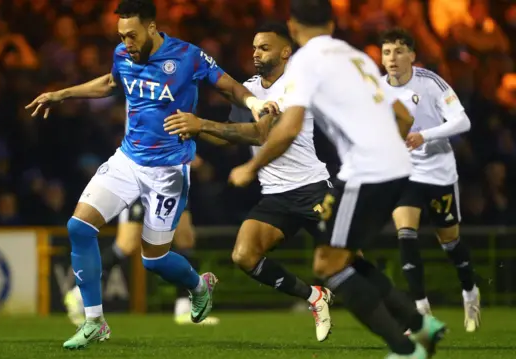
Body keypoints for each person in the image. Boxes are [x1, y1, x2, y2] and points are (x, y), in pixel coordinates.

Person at [26, 0, 276, 349]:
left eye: (131, 35)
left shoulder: (187, 57)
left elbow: (230, 87)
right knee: (78, 227)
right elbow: (111, 82)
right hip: (127, 161)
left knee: (153, 259)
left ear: (152, 28)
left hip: (168, 171)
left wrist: (254, 104)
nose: (126, 42)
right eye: (121, 36)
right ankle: (94, 321)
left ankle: (198, 286)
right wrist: (62, 94)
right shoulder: (122, 54)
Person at [228, 1, 446, 358]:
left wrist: (250, 169)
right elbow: (403, 116)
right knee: (342, 258)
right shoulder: (355, 56)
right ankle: (421, 324)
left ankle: (406, 347)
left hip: (365, 171)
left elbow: (288, 129)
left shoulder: (305, 64)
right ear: (331, 23)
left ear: (293, 28)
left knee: (329, 265)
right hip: (390, 167)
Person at [163, 21, 333, 342]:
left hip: (312, 188)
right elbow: (228, 136)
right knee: (244, 255)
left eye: (264, 47)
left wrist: (201, 124)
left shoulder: (296, 85)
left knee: (345, 264)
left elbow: (260, 133)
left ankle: (409, 319)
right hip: (276, 195)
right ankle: (314, 297)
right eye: (254, 47)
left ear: (285, 52)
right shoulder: (249, 90)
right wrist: (191, 130)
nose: (255, 53)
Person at [379, 28, 480, 333]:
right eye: (386, 53)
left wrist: (425, 135)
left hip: (437, 171)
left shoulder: (430, 82)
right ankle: (420, 311)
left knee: (450, 242)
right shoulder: (377, 89)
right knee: (405, 233)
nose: (392, 59)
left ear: (412, 55)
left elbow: (463, 120)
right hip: (405, 173)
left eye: (398, 51)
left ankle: (470, 292)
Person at [64, 157, 220, 326]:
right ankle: (79, 294)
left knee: (185, 239)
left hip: (172, 178)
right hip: (142, 174)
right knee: (126, 245)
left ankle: (183, 308)